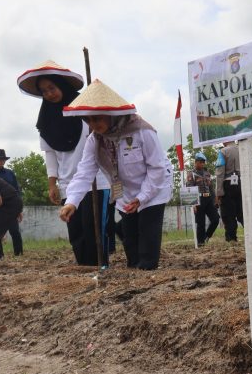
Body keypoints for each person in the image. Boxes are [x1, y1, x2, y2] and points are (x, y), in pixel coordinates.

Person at [58, 79, 172, 270]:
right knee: (131, 245)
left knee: (147, 241)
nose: (94, 125)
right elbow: (84, 172)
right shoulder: (94, 141)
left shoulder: (142, 131)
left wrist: (143, 197)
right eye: (89, 120)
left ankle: (148, 272)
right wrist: (72, 201)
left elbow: (157, 168)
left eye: (98, 118)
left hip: (154, 190)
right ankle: (135, 275)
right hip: (125, 194)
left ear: (111, 113)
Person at [17, 60, 114, 265]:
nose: (49, 94)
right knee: (75, 230)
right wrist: (52, 183)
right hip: (68, 183)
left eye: (52, 88)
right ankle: (84, 267)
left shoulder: (86, 113)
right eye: (44, 91)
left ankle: (100, 266)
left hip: (95, 180)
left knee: (94, 228)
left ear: (62, 85)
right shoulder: (45, 121)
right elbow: (50, 154)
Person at [0, 148, 23, 255]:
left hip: (11, 207)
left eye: (3, 159)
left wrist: (19, 209)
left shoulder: (10, 173)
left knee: (15, 231)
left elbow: (17, 190)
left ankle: (19, 253)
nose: (2, 161)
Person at [186, 151, 220, 245]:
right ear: (195, 162)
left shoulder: (207, 173)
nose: (202, 164)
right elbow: (189, 189)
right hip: (199, 200)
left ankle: (206, 236)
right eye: (200, 162)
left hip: (209, 199)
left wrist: (215, 199)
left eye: (203, 162)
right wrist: (193, 204)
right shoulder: (191, 174)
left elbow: (211, 187)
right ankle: (200, 243)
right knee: (200, 223)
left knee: (216, 219)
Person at [215, 141, 243, 242]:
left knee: (228, 213)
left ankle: (231, 238)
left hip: (227, 183)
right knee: (242, 211)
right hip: (241, 183)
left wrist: (218, 193)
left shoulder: (223, 151)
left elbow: (219, 173)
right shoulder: (242, 148)